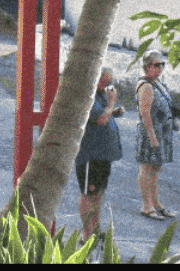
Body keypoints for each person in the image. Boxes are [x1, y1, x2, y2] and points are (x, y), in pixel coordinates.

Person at [76, 67, 123, 240]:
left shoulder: (101, 94)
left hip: (103, 154)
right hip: (91, 154)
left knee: (98, 193)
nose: (107, 87)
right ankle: (87, 233)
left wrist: (114, 110)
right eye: (105, 82)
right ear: (96, 78)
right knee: (89, 194)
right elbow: (101, 119)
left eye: (109, 83)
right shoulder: (87, 96)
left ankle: (94, 229)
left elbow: (105, 114)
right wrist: (111, 103)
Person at [135, 50, 176, 220]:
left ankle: (156, 202)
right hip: (151, 132)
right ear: (147, 67)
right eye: (156, 65)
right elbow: (145, 114)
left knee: (155, 169)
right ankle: (147, 205)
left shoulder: (157, 83)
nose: (160, 68)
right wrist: (152, 137)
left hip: (162, 131)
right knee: (147, 168)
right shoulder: (146, 85)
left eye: (162, 64)